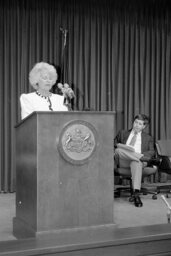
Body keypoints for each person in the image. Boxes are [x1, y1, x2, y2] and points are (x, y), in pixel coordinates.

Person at [114, 114, 155, 207]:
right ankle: (140, 157)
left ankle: (136, 194)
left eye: (140, 124)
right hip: (123, 160)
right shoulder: (123, 133)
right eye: (136, 122)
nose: (136, 125)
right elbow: (114, 144)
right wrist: (120, 145)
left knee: (136, 162)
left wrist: (137, 156)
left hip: (137, 162)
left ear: (144, 126)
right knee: (118, 150)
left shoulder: (148, 138)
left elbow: (152, 151)